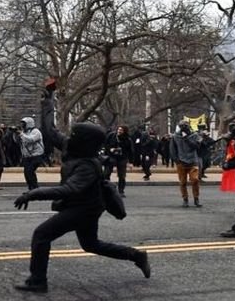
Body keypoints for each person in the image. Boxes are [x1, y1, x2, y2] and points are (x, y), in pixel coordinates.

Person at [11, 89, 150, 293]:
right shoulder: (72, 147)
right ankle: (137, 256)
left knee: (41, 234)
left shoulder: (88, 165)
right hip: (84, 206)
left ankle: (38, 281)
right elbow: (49, 130)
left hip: (84, 209)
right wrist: (48, 100)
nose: (70, 136)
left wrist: (33, 193)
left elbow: (69, 189)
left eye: (75, 134)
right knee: (91, 244)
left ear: (84, 141)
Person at [170, 120, 202, 207]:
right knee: (182, 182)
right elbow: (173, 150)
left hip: (193, 161)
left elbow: (196, 147)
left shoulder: (195, 135)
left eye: (185, 126)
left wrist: (186, 138)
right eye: (182, 126)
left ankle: (196, 198)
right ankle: (185, 199)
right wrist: (177, 160)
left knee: (195, 180)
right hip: (181, 162)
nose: (184, 128)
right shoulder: (175, 137)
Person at [103, 125, 133, 197]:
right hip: (111, 156)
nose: (119, 131)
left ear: (124, 131)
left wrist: (131, 162)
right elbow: (105, 144)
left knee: (122, 175)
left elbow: (131, 151)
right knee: (106, 173)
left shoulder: (128, 139)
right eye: (119, 129)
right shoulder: (111, 136)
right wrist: (110, 149)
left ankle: (121, 191)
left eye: (121, 130)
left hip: (122, 158)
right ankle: (106, 189)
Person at [16, 117, 44, 190]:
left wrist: (21, 134)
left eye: (23, 124)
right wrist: (16, 134)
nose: (22, 125)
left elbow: (31, 140)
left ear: (29, 124)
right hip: (27, 156)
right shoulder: (24, 132)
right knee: (26, 173)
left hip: (36, 155)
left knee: (30, 171)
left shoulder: (36, 132)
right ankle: (31, 188)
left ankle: (35, 188)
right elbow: (18, 143)